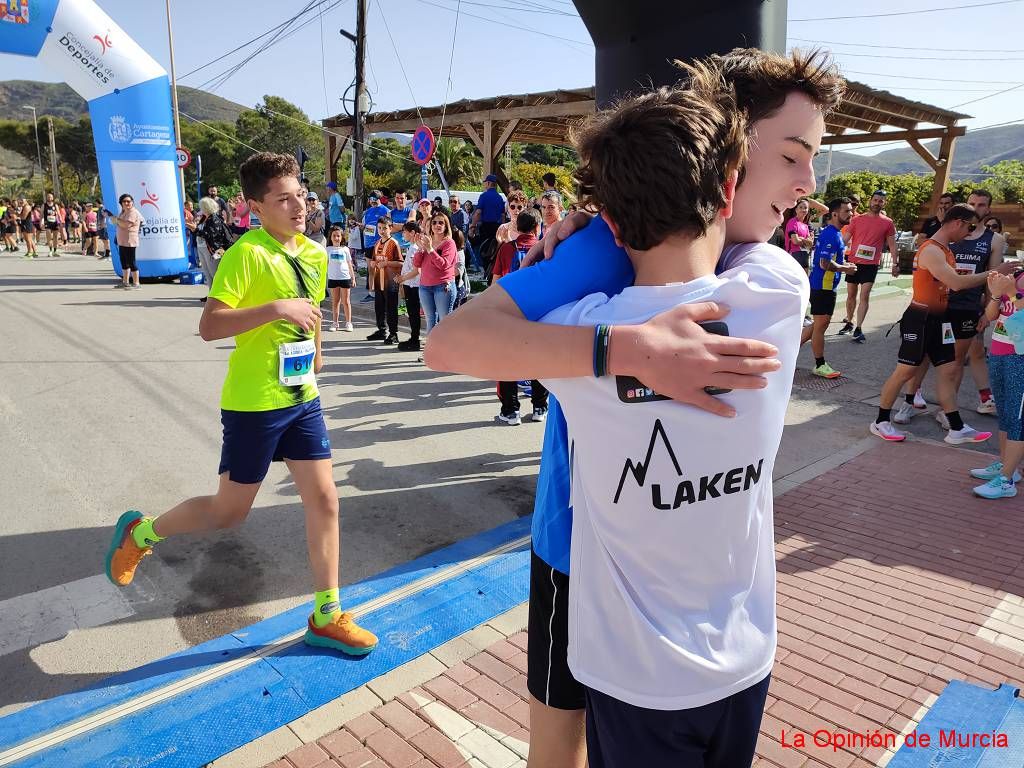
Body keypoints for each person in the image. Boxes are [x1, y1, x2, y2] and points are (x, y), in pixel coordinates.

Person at [425, 47, 844, 768]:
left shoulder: (759, 270)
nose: (808, 184)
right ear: (732, 159)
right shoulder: (601, 257)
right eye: (793, 157)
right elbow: (453, 343)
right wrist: (627, 349)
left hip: (697, 619)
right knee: (558, 745)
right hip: (580, 558)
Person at [535, 61, 806, 768]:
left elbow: (463, 339)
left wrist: (614, 326)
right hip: (745, 656)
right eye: (790, 159)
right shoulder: (778, 290)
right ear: (728, 188)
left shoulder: (570, 335)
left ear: (612, 221)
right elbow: (752, 245)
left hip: (636, 678)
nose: (801, 185)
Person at [103, 151, 378, 656]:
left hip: (302, 398)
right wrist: (275, 308)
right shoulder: (246, 254)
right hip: (255, 403)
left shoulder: (315, 254)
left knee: (325, 500)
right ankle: (141, 534)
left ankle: (326, 614)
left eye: (301, 196)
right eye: (283, 199)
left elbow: (311, 311)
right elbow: (210, 327)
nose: (298, 207)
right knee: (229, 512)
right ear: (255, 206)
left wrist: (316, 353)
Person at [870, 203, 995, 444]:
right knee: (905, 371)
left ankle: (957, 428)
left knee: (948, 370)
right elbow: (957, 283)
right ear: (957, 222)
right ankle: (880, 421)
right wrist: (993, 273)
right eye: (969, 227)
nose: (969, 233)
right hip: (920, 318)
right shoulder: (932, 251)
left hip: (940, 319)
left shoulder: (945, 250)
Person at [897, 190, 1007, 424]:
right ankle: (907, 402)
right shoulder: (948, 234)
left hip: (966, 309)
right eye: (971, 203)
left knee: (954, 363)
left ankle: (947, 412)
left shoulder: (994, 240)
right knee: (922, 357)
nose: (976, 208)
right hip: (938, 305)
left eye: (981, 205)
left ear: (988, 209)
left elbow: (992, 280)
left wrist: (988, 312)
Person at [971, 269, 1024, 499]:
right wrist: (995, 294)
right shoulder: (1016, 274)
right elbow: (992, 315)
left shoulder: (1013, 283)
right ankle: (1005, 466)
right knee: (1004, 412)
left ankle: (1007, 479)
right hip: (1000, 350)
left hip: (1020, 356)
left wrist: (1011, 291)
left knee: (1018, 417)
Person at [493, 210, 548, 425]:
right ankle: (540, 407)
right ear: (537, 227)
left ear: (518, 228)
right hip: (540, 312)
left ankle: (510, 410)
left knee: (507, 360)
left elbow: (497, 280)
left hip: (511, 310)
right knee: (538, 361)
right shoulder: (546, 248)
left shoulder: (507, 248)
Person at [800, 197, 857, 378]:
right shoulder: (831, 234)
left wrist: (843, 263)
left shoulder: (835, 233)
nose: (851, 213)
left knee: (817, 325)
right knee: (820, 326)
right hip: (822, 287)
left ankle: (787, 354)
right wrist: (845, 268)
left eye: (851, 210)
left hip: (825, 286)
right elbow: (825, 263)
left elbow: (829, 259)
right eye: (847, 211)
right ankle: (819, 364)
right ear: (834, 214)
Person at [838, 190, 897, 343]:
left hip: (871, 264)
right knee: (851, 295)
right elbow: (845, 239)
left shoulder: (888, 223)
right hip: (854, 263)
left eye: (881, 201)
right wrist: (834, 251)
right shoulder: (857, 220)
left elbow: (892, 244)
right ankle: (849, 322)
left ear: (885, 203)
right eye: (875, 200)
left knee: (865, 295)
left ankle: (859, 328)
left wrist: (895, 263)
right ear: (870, 201)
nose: (877, 203)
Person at [412, 211, 458, 334]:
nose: (437, 225)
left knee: (444, 321)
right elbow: (416, 264)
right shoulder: (428, 241)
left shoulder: (449, 243)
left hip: (442, 286)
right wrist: (421, 249)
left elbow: (444, 265)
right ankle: (431, 350)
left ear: (446, 226)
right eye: (434, 223)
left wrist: (430, 249)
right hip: (425, 286)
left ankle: (445, 349)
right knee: (430, 320)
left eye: (441, 223)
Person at [366, 217, 402, 344]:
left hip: (390, 281)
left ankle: (394, 333)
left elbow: (400, 263)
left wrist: (386, 263)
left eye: (385, 228)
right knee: (379, 307)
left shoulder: (394, 243)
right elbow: (375, 260)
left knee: (391, 308)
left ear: (390, 228)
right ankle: (381, 330)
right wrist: (374, 263)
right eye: (380, 228)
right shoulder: (377, 243)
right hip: (378, 280)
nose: (382, 231)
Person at [196, 197, 234, 300]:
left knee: (215, 274)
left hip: (213, 250)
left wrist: (194, 229)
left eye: (202, 207)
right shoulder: (205, 218)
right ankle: (211, 295)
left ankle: (220, 296)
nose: (200, 209)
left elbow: (211, 235)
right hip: (203, 248)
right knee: (207, 273)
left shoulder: (214, 219)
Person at [396, 221, 424, 352]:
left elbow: (415, 270)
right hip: (410, 285)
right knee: (412, 313)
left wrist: (402, 278)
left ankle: (415, 339)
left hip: (413, 285)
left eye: (405, 231)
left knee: (413, 313)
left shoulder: (414, 248)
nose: (403, 234)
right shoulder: (412, 246)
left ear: (412, 233)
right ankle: (414, 338)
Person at [108, 193, 145, 289]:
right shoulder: (123, 212)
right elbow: (117, 223)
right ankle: (125, 282)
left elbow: (126, 225)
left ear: (132, 202)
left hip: (130, 241)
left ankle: (136, 283)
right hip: (122, 241)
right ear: (121, 203)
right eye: (124, 201)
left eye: (129, 201)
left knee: (131, 262)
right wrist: (114, 219)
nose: (127, 203)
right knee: (124, 262)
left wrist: (116, 219)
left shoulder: (133, 212)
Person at [326, 225, 355, 332]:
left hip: (345, 277)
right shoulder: (327, 249)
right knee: (335, 301)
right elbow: (325, 264)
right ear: (331, 237)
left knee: (346, 301)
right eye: (334, 236)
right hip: (333, 278)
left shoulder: (345, 249)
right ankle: (335, 322)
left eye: (338, 236)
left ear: (342, 237)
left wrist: (353, 278)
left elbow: (349, 263)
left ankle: (348, 322)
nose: (336, 238)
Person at [782, 198, 819, 271]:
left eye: (805, 208)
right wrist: (805, 241)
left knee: (805, 279)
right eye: (801, 207)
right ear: (796, 210)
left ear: (808, 210)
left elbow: (811, 243)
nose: (803, 210)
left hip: (805, 255)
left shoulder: (805, 226)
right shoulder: (792, 222)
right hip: (794, 255)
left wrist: (801, 239)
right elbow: (795, 241)